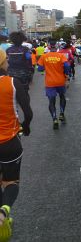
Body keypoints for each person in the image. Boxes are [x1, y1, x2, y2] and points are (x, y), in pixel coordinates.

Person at [0, 50, 33, 241]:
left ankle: (3, 224)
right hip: (10, 142)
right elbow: (28, 112)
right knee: (11, 182)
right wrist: (25, 128)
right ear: (4, 63)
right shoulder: (12, 82)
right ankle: (4, 211)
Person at [37, 39, 70, 129]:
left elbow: (39, 69)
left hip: (50, 82)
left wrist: (46, 67)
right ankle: (62, 113)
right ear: (57, 46)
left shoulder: (44, 56)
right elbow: (67, 65)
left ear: (48, 46)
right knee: (62, 96)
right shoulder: (61, 56)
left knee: (51, 101)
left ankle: (54, 118)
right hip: (60, 81)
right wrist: (66, 74)